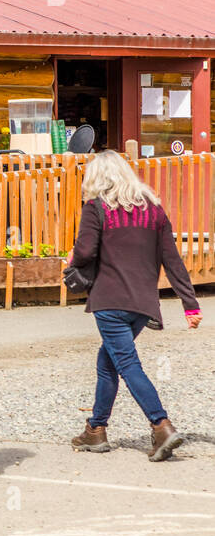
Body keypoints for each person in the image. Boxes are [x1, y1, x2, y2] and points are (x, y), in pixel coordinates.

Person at [66, 150, 201, 461]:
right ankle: (96, 430)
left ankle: (161, 424)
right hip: (143, 304)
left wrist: (73, 258)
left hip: (110, 301)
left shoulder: (95, 208)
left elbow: (85, 252)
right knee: (108, 362)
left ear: (96, 179)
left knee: (127, 364)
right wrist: (189, 304)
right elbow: (172, 259)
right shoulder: (154, 211)